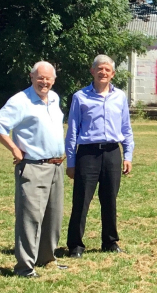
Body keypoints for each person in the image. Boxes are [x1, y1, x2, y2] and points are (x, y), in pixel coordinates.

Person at [0, 61, 67, 278]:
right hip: (33, 167)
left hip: (56, 165)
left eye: (48, 78)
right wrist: (14, 149)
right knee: (30, 218)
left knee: (53, 217)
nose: (44, 82)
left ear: (54, 79)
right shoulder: (20, 100)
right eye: (40, 77)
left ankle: (47, 259)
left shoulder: (54, 98)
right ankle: (25, 267)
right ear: (31, 77)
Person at [65, 54, 135, 258]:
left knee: (110, 199)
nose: (103, 72)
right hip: (88, 153)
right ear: (92, 71)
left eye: (107, 69)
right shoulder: (80, 97)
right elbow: (72, 131)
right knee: (81, 200)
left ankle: (110, 241)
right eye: (99, 69)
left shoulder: (120, 97)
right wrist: (71, 162)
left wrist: (127, 155)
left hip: (113, 152)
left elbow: (126, 128)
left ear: (112, 74)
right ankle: (76, 245)